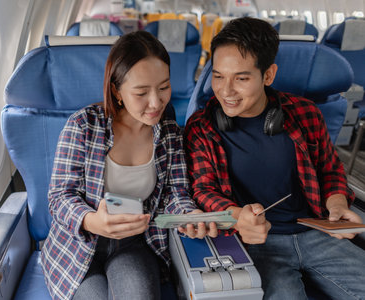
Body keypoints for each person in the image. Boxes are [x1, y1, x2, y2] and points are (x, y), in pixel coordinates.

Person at [184, 17, 365, 299]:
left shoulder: (305, 113)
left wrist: (337, 204)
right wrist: (237, 217)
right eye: (218, 76)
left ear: (268, 75)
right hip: (256, 242)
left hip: (315, 231)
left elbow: (330, 171)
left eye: (241, 78)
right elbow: (203, 189)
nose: (226, 91)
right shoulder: (202, 126)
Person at [41, 31, 218, 300]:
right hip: (76, 246)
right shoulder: (83, 126)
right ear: (117, 91)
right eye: (141, 92)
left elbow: (175, 194)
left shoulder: (169, 133)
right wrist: (91, 220)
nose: (156, 102)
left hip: (135, 242)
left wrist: (188, 215)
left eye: (163, 87)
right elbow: (60, 196)